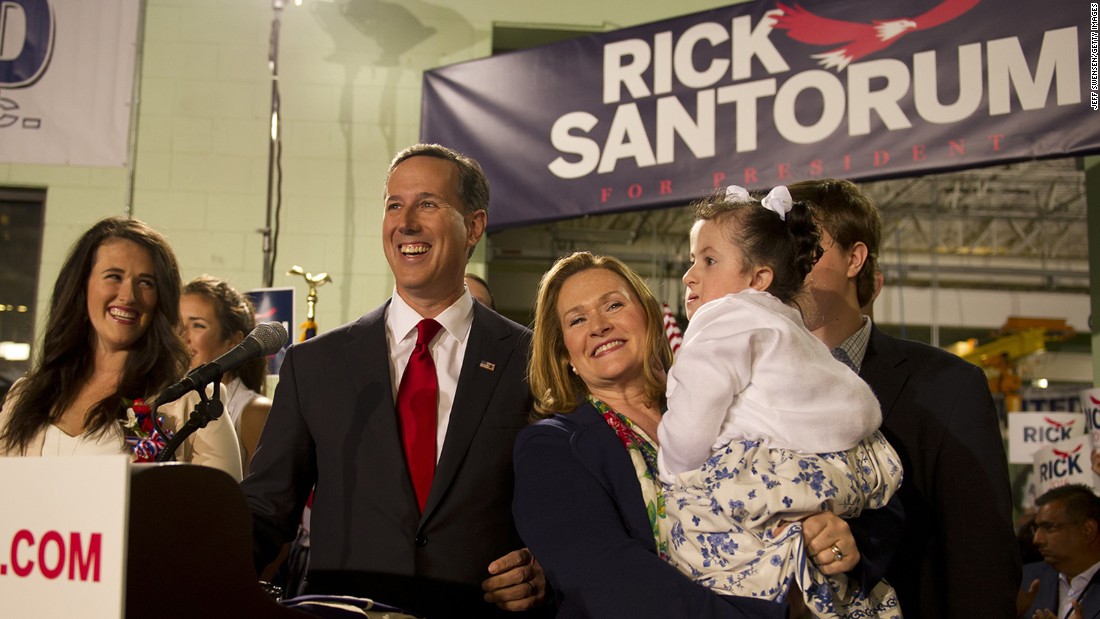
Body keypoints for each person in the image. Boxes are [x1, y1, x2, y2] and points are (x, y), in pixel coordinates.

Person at [242, 144, 546, 617]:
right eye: (393, 205)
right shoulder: (315, 366)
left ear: (474, 226)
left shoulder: (532, 360)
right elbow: (266, 513)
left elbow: (568, 506)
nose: (405, 223)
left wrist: (542, 567)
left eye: (428, 203)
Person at [513, 251, 899, 618]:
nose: (599, 325)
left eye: (614, 305)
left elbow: (864, 479)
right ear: (564, 353)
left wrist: (847, 539)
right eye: (577, 320)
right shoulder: (550, 448)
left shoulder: (731, 395)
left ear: (649, 317)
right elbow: (616, 584)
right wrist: (783, 609)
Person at [658, 186, 902, 617]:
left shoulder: (725, 318)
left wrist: (674, 473)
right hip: (842, 476)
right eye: (693, 259)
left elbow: (692, 426)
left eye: (708, 260)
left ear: (758, 278)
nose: (690, 275)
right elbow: (854, 409)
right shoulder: (791, 329)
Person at [789, 178, 1021, 618]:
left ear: (855, 258)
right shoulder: (750, 388)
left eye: (806, 248)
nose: (788, 266)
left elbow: (983, 558)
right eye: (780, 251)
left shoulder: (950, 386)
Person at [0, 217, 242, 480]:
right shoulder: (24, 396)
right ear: (82, 287)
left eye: (146, 282)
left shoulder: (194, 403)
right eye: (114, 276)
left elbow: (222, 512)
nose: (128, 296)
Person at [181, 275, 272, 468]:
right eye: (179, 325)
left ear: (233, 342)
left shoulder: (255, 411)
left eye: (197, 325)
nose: (182, 336)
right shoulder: (170, 400)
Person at [1017, 484, 1100, 619]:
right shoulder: (1024, 582)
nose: (1037, 539)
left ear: (1088, 530)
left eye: (1049, 527)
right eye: (1036, 529)